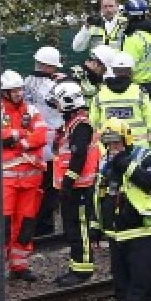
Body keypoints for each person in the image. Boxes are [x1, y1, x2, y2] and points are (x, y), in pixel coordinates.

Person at [95, 117, 151, 301]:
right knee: (122, 287)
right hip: (119, 235)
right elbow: (100, 196)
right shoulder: (106, 165)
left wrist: (126, 164)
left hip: (145, 231)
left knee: (143, 283)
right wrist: (97, 227)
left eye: (116, 142)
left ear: (125, 140)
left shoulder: (144, 157)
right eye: (109, 143)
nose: (113, 147)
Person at [47, 82, 100, 287]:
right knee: (72, 228)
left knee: (80, 229)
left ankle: (83, 270)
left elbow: (78, 157)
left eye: (58, 102)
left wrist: (68, 182)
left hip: (79, 187)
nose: (56, 105)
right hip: (72, 187)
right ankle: (76, 267)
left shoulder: (80, 125)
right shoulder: (71, 124)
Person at [0, 70, 48, 281]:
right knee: (4, 224)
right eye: (14, 90)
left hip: (31, 180)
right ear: (4, 92)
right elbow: (0, 137)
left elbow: (41, 136)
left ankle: (19, 265)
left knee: (26, 224)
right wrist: (23, 136)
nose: (19, 93)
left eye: (20, 89)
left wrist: (19, 139)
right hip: (7, 180)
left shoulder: (32, 109)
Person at [24, 46, 67, 235]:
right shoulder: (53, 86)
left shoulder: (25, 82)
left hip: (31, 143)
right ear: (50, 67)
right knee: (50, 187)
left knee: (34, 186)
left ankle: (32, 225)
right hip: (50, 143)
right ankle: (45, 226)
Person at [89, 51, 151, 149]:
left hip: (108, 151)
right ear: (131, 70)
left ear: (113, 70)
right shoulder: (140, 93)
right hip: (138, 150)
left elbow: (92, 126)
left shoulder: (99, 95)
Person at [119, 0, 151, 135]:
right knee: (148, 121)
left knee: (134, 124)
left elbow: (126, 65)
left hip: (135, 85)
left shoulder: (133, 38)